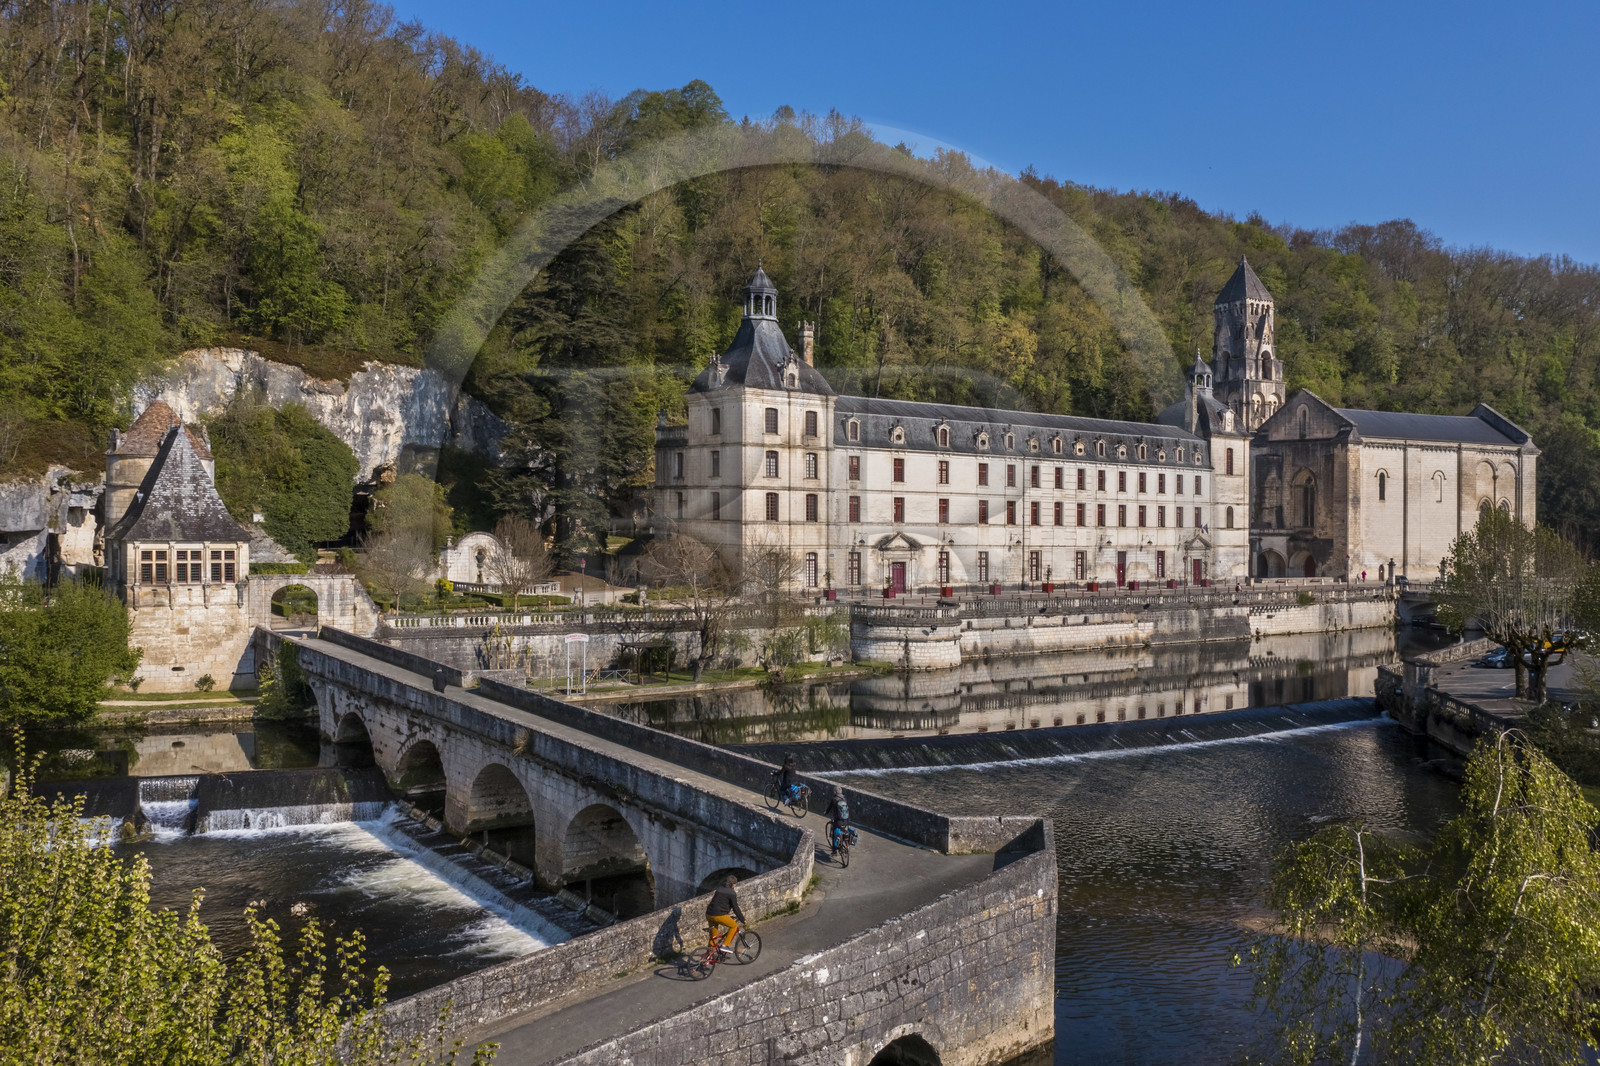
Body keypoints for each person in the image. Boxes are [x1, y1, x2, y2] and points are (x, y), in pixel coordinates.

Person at [705, 874, 746, 951]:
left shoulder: (719, 889)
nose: (735, 885)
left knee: (714, 935)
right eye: (735, 884)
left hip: (709, 914)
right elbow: (735, 908)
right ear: (732, 884)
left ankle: (709, 954)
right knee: (734, 926)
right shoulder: (732, 893)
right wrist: (742, 919)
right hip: (719, 915)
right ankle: (725, 945)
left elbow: (719, 903)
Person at [825, 786, 851, 856]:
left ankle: (834, 851)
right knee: (843, 831)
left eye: (834, 791)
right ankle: (845, 846)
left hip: (838, 821)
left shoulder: (834, 799)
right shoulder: (844, 799)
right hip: (846, 820)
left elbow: (829, 808)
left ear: (835, 792)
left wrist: (826, 813)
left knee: (834, 834)